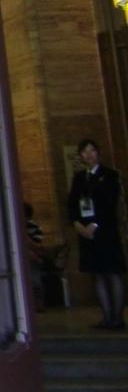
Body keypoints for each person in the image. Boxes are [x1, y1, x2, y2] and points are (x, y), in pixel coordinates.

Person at [66, 139, 126, 330]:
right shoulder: (79, 178)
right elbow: (72, 204)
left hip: (105, 231)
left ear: (98, 153)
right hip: (86, 233)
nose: (89, 154)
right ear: (80, 156)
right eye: (84, 152)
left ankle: (117, 318)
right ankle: (106, 316)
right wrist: (77, 225)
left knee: (113, 273)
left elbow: (109, 203)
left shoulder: (110, 175)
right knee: (97, 274)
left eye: (92, 150)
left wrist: (94, 224)